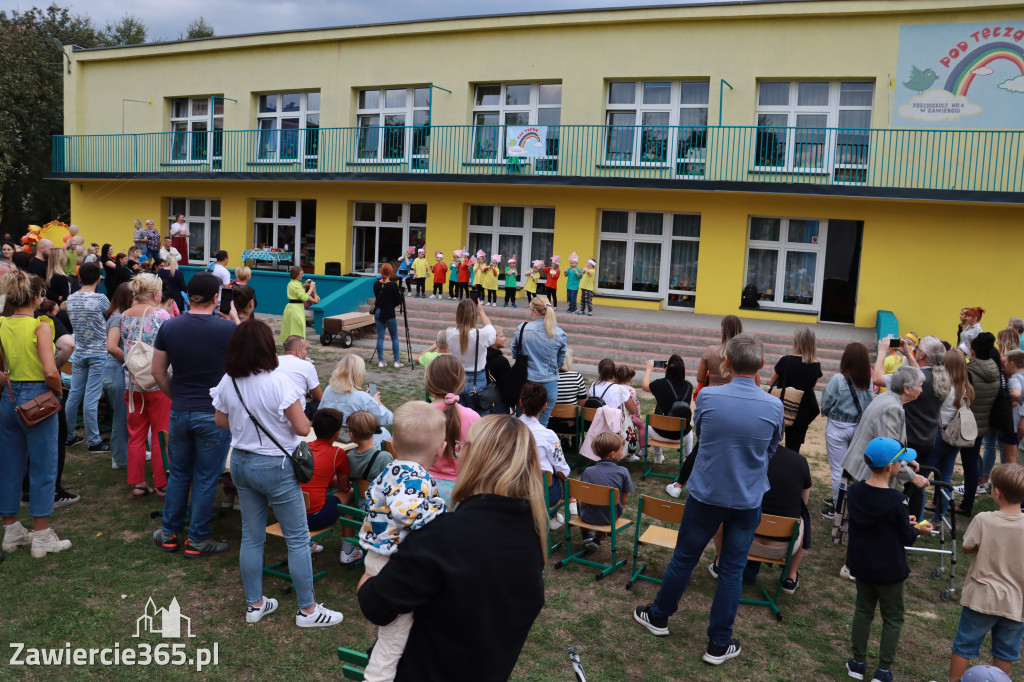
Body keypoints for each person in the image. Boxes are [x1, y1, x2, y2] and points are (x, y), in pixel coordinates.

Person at [357, 414, 546, 681]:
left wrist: (367, 578)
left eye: (462, 446)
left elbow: (376, 605)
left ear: (474, 457)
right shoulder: (532, 533)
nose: (458, 453)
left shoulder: (443, 534)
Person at [633, 334, 783, 666]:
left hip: (709, 494)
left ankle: (659, 616)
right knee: (732, 569)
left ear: (726, 363)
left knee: (685, 558)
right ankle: (718, 643)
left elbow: (703, 435)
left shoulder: (711, 397)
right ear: (760, 366)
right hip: (746, 497)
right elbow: (770, 449)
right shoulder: (772, 405)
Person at [209, 318, 344, 627]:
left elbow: (220, 420)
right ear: (267, 347)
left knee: (252, 536)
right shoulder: (278, 381)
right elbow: (302, 427)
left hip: (242, 462)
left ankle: (255, 603)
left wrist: (247, 423)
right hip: (275, 465)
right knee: (297, 539)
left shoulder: (229, 379)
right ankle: (308, 611)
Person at [358, 401, 447, 681]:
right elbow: (404, 510)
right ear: (441, 449)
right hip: (392, 561)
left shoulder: (390, 471)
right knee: (391, 642)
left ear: (392, 443)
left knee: (398, 631)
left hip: (378, 555)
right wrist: (440, 511)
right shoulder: (415, 478)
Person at [151, 272, 237, 557]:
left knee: (178, 474)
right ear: (216, 297)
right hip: (212, 414)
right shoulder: (227, 330)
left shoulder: (169, 326)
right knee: (205, 477)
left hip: (180, 412)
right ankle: (197, 539)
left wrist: (176, 397)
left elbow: (157, 371)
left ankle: (169, 533)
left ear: (188, 295)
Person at [844, 437, 930, 682]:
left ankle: (858, 663)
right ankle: (883, 671)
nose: (902, 465)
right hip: (889, 568)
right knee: (892, 617)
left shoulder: (855, 491)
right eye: (900, 462)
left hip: (862, 563)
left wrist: (904, 520)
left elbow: (875, 521)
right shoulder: (897, 500)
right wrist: (917, 529)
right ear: (891, 467)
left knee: (863, 611)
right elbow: (906, 537)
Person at [0, 270, 72, 558]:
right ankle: (42, 535)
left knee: (9, 465)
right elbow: (50, 369)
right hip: (38, 398)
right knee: (44, 466)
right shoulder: (40, 326)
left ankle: (12, 530)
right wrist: (57, 392)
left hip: (9, 397)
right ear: (35, 297)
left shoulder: (2, 324)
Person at [833, 366, 928, 577]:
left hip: (862, 466)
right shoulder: (892, 408)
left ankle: (854, 564)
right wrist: (913, 478)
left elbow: (893, 449)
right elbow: (888, 454)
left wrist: (907, 460)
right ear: (907, 388)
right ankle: (851, 567)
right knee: (864, 523)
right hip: (866, 471)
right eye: (920, 385)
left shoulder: (888, 399)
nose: (922, 389)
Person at [947, 463, 1024, 682]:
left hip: (982, 597)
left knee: (965, 645)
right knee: (1005, 652)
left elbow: (967, 547)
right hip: (1016, 603)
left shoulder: (984, 519)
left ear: (996, 492)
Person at [121, 274, 171, 499]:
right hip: (157, 382)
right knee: (161, 433)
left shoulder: (124, 316)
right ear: (155, 294)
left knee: (136, 434)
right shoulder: (160, 315)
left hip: (132, 384)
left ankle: (138, 482)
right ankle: (162, 483)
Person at [820, 342, 874, 513]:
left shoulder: (838, 379)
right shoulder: (868, 381)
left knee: (837, 469)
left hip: (837, 426)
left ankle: (839, 509)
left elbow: (827, 402)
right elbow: (869, 404)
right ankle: (851, 505)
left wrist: (828, 413)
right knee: (854, 469)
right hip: (858, 428)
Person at [64, 262, 111, 452]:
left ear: (80, 277)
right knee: (91, 398)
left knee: (74, 395)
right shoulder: (101, 299)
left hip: (80, 352)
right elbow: (110, 318)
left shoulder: (71, 298)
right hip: (98, 353)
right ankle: (94, 441)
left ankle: (68, 436)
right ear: (99, 278)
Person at [300, 408, 358, 557]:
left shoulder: (303, 448)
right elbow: (343, 486)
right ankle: (348, 550)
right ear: (337, 433)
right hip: (315, 518)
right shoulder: (338, 454)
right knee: (351, 494)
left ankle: (307, 542)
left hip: (291, 515)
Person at [955, 333, 1001, 517]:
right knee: (972, 463)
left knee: (969, 465)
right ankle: (967, 502)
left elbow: (963, 397)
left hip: (968, 423)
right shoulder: (994, 368)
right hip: (983, 422)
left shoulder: (971, 371)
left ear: (972, 351)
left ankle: (966, 505)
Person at [425, 355, 480, 504]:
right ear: (459, 382)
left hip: (425, 488)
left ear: (429, 381)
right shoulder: (473, 417)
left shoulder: (421, 415)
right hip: (461, 491)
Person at [929, 350, 976, 522]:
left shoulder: (944, 388)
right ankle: (939, 518)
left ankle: (918, 518)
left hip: (939, 434)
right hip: (955, 437)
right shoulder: (967, 389)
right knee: (945, 478)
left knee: (924, 475)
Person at [510, 295, 567, 427]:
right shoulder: (559, 333)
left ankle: (522, 447)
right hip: (549, 383)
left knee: (521, 423)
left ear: (535, 311)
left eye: (531, 310)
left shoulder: (523, 329)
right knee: (543, 423)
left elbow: (514, 352)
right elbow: (560, 361)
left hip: (526, 381)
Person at [520, 381, 569, 522]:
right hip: (540, 493)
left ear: (520, 402)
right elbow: (563, 471)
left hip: (511, 488)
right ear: (544, 406)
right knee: (557, 472)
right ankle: (553, 515)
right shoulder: (548, 435)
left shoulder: (506, 429)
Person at [320, 354, 394, 446]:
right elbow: (387, 419)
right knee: (384, 433)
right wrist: (377, 402)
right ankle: (383, 460)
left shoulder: (328, 390)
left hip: (331, 434)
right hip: (355, 440)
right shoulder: (362, 397)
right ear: (360, 373)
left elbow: (320, 413)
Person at [769, 325, 822, 452]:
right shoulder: (816, 366)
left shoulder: (786, 360)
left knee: (773, 447)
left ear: (796, 342)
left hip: (782, 408)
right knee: (793, 451)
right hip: (802, 412)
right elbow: (811, 386)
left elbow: (772, 383)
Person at [578, 430, 631, 553]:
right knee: (609, 505)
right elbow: (625, 499)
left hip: (588, 516)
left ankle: (586, 534)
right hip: (611, 517)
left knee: (579, 501)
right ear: (613, 454)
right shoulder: (623, 471)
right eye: (621, 450)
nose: (622, 452)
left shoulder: (588, 471)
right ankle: (599, 537)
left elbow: (584, 499)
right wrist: (619, 511)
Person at [643, 355, 694, 469]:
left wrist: (649, 370)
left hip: (658, 434)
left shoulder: (659, 384)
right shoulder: (689, 386)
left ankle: (658, 456)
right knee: (690, 433)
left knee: (650, 423)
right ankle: (688, 459)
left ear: (668, 368)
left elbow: (645, 386)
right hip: (681, 435)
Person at [103, 283, 133, 471]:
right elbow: (111, 347)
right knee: (121, 418)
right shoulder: (117, 317)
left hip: (115, 372)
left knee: (123, 417)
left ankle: (124, 453)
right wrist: (134, 360)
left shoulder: (117, 315)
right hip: (116, 372)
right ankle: (120, 459)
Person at [445, 299, 495, 409]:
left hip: (456, 378)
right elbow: (491, 329)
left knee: (459, 418)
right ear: (474, 315)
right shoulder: (482, 335)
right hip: (477, 380)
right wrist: (481, 311)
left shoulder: (449, 333)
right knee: (479, 419)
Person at [696, 315, 745, 392]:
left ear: (722, 331)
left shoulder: (710, 351)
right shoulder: (746, 353)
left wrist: (713, 380)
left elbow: (700, 378)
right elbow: (756, 382)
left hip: (713, 394)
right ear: (741, 331)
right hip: (736, 394)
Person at [278, 335, 323, 419]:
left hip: (275, 410)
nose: (306, 352)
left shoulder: (275, 361)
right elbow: (319, 397)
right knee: (322, 405)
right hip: (298, 414)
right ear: (298, 352)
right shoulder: (307, 366)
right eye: (305, 349)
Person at [346, 410, 394, 487]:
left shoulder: (349, 457)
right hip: (381, 499)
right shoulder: (385, 457)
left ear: (351, 435)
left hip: (359, 498)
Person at [373, 262, 403, 368]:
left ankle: (381, 361)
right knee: (394, 337)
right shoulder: (393, 285)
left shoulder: (376, 284)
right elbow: (397, 301)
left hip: (378, 311)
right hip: (389, 312)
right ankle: (397, 361)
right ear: (391, 272)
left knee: (380, 337)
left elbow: (378, 297)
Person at [280, 265, 316, 343]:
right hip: (296, 309)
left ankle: (288, 343)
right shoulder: (297, 285)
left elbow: (297, 293)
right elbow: (304, 297)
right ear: (297, 275)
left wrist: (304, 285)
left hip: (290, 307)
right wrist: (311, 288)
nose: (303, 275)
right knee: (298, 328)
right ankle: (297, 345)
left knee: (289, 328)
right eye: (301, 274)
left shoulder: (291, 283)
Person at [485, 326, 512, 415]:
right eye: (501, 336)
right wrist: (511, 403)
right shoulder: (501, 361)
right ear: (492, 339)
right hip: (499, 403)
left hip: (484, 400)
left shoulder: (481, 357)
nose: (505, 338)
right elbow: (507, 386)